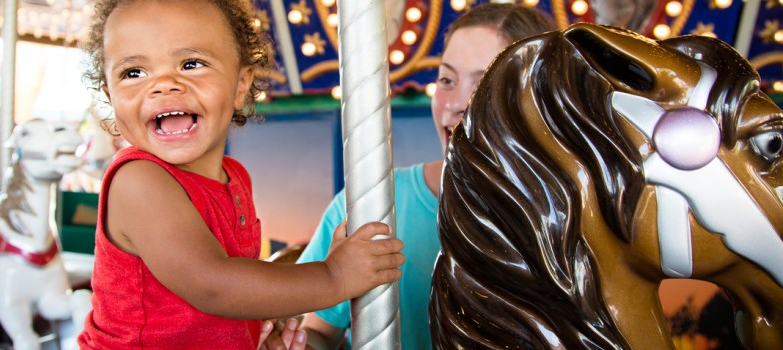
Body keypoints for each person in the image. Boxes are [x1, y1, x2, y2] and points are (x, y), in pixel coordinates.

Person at [76, 1, 405, 349]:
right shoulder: (139, 181)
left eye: (191, 64)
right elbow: (212, 285)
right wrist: (334, 276)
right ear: (110, 95)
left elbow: (230, 293)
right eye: (133, 73)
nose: (163, 85)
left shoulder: (233, 178)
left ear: (241, 84)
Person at [296, 3, 557, 349]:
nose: (455, 102)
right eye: (447, 80)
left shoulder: (567, 221)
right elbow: (314, 331)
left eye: (483, 85)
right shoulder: (369, 207)